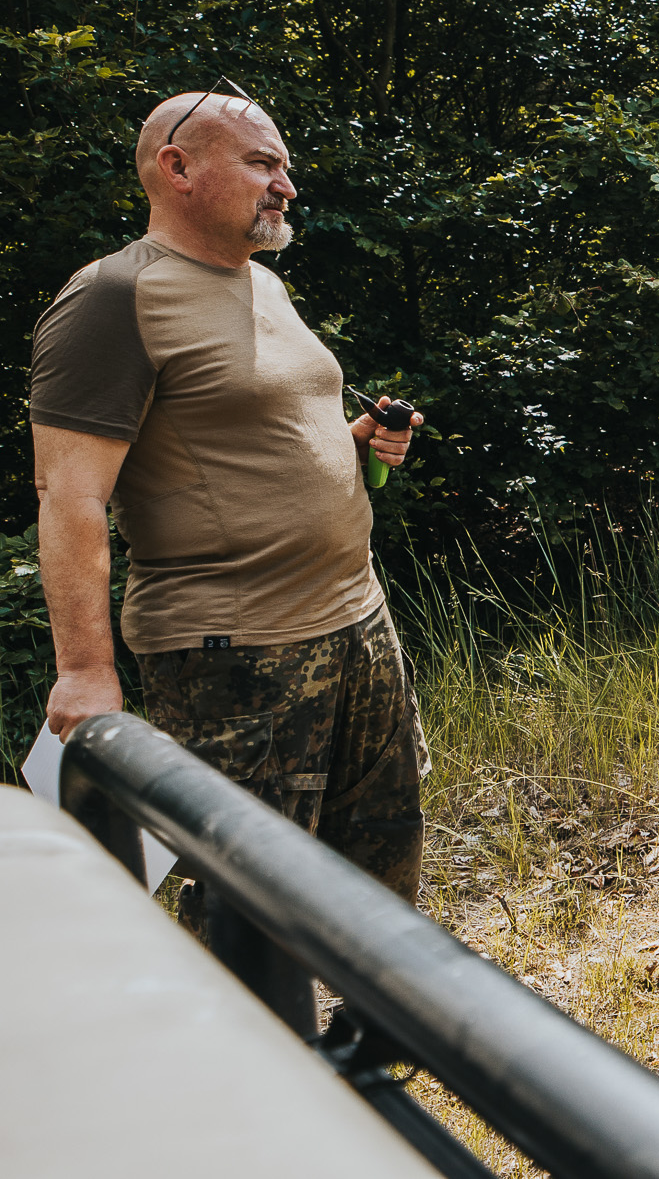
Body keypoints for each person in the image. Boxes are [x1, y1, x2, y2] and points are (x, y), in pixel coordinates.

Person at [31, 86, 428, 926]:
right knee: (250, 906)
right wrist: (85, 670)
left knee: (380, 871)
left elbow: (253, 432)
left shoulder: (262, 284)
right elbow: (70, 492)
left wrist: (353, 441)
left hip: (356, 620)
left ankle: (361, 1056)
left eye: (284, 165)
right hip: (237, 654)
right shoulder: (113, 296)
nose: (286, 184)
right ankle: (234, 1059)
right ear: (176, 166)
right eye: (261, 162)